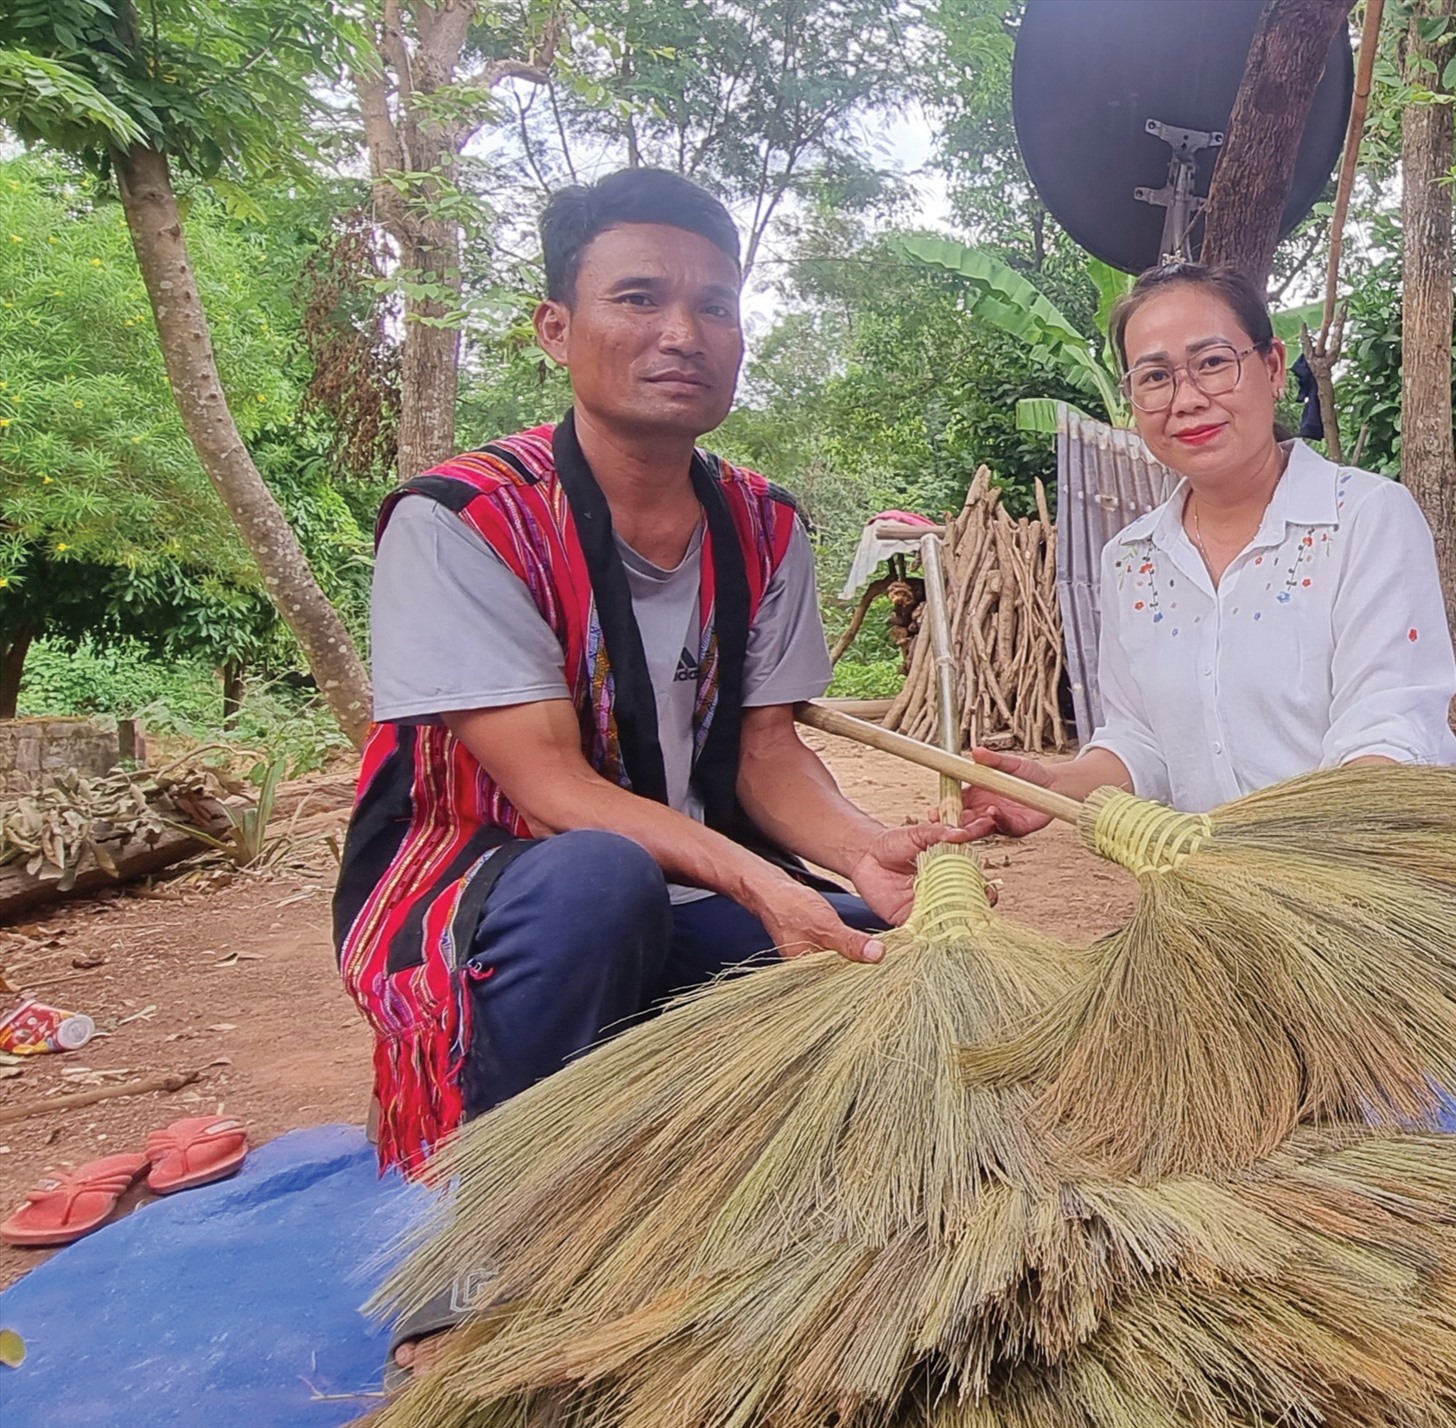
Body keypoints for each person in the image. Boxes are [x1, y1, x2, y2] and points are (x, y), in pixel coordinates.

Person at [333, 168, 986, 1184]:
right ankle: (486, 1231)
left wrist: (863, 851)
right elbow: (552, 792)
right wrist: (767, 884)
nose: (682, 332)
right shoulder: (464, 522)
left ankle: (697, 1188)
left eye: (713, 306)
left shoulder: (764, 527)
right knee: (601, 878)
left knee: (890, 964)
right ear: (556, 328)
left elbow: (767, 755)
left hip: (687, 891)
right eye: (638, 298)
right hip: (505, 898)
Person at [965, 261, 1456, 834]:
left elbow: (1390, 726)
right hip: (1212, 900)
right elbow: (1141, 743)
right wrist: (1055, 788)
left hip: (1364, 879)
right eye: (1154, 378)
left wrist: (1297, 865)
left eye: (1212, 363)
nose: (1186, 399)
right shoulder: (1132, 558)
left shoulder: (1364, 518)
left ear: (1273, 367)